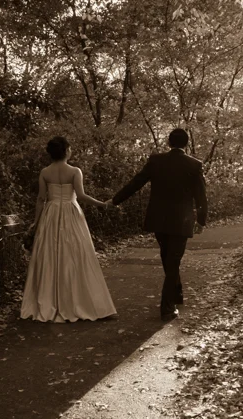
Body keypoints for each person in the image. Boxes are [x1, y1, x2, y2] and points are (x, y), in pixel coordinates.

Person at [107, 128, 207, 322]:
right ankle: (167, 309)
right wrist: (201, 220)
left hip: (158, 219)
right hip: (182, 220)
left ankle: (175, 297)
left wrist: (115, 200)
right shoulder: (194, 165)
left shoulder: (156, 160)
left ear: (169, 143)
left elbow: (136, 183)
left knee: (168, 258)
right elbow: (201, 196)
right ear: (186, 144)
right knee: (172, 261)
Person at [20, 136, 116, 323]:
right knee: (77, 255)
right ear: (66, 151)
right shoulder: (74, 171)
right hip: (71, 214)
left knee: (50, 256)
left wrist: (36, 222)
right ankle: (78, 301)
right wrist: (102, 204)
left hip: (51, 214)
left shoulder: (45, 172)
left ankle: (50, 301)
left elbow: (41, 199)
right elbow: (81, 195)